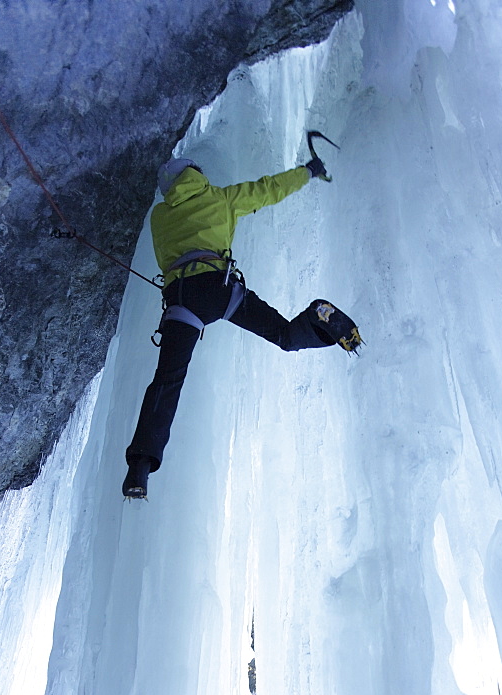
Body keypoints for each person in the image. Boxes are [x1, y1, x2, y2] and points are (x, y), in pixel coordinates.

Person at [122, 152, 361, 499]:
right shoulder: (221, 198)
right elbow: (269, 189)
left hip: (183, 298)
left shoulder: (159, 215)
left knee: (167, 382)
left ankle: (139, 468)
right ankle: (318, 319)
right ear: (195, 174)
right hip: (221, 290)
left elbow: (164, 255)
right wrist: (309, 171)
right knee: (285, 336)